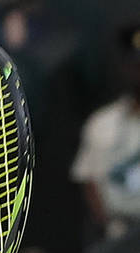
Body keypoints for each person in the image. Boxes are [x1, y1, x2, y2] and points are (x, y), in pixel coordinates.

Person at [71, 22, 140, 239]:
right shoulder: (100, 124)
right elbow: (88, 182)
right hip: (124, 239)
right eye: (137, 66)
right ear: (126, 68)